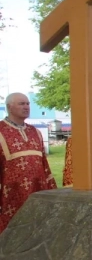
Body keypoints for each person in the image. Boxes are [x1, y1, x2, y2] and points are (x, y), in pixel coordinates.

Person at [0, 92, 57, 234]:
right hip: (11, 195)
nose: (26, 107)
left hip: (37, 192)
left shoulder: (35, 132)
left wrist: (52, 190)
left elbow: (44, 164)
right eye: (21, 104)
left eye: (27, 103)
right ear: (9, 107)